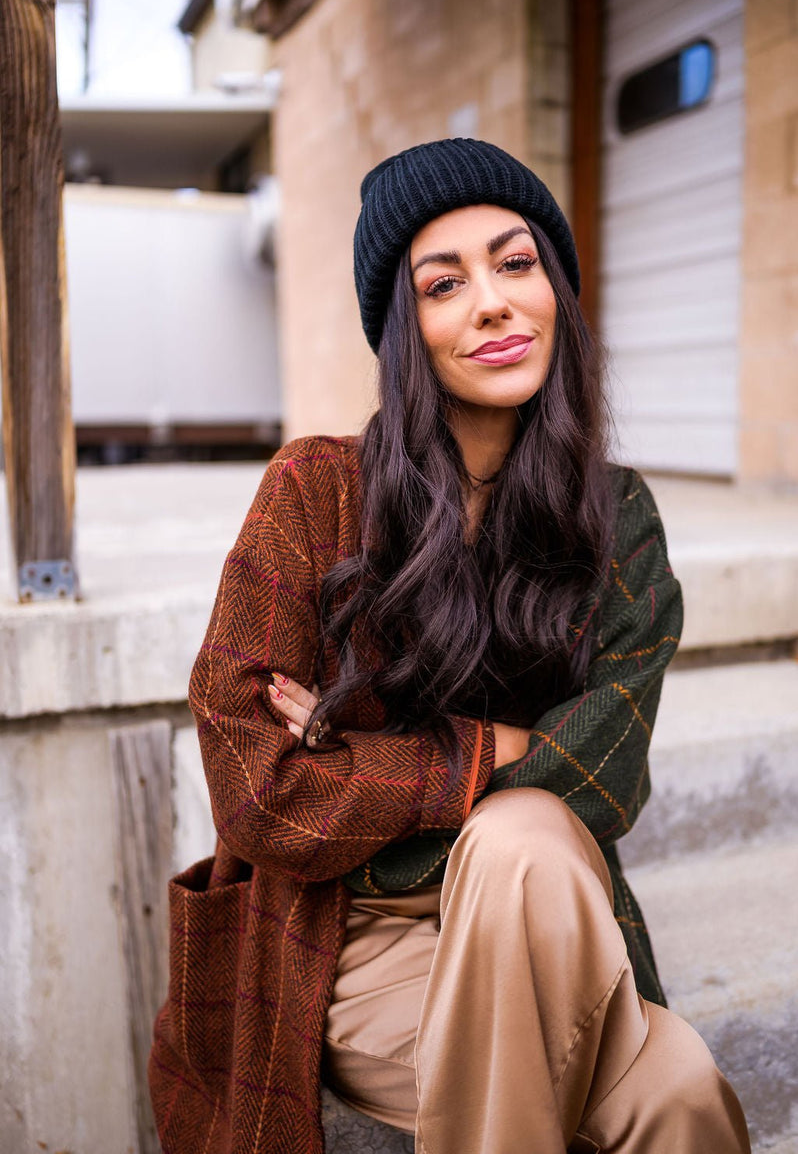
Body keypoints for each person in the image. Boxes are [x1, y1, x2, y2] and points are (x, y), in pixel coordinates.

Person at [148, 138, 751, 1154]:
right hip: (352, 944)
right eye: (445, 283)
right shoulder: (314, 493)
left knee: (533, 861)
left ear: (555, 289)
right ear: (404, 330)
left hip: (547, 911)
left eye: (516, 264)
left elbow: (604, 778)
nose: (494, 304)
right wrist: (500, 752)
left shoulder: (616, 516)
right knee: (666, 1066)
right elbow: (258, 791)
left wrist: (367, 766)